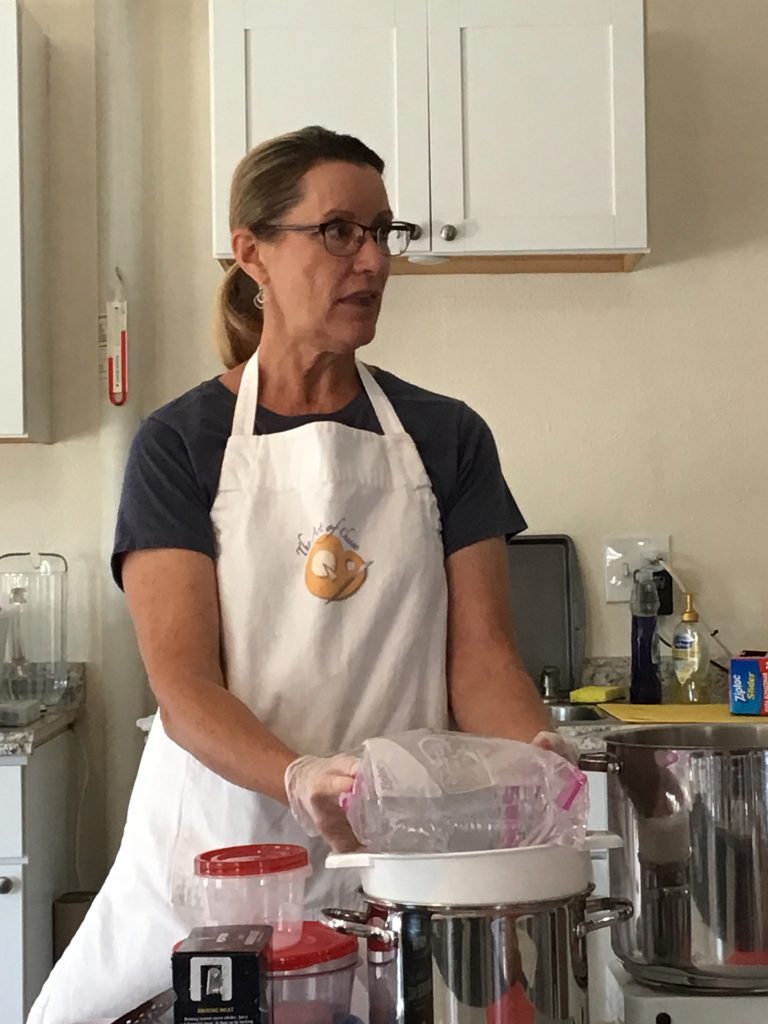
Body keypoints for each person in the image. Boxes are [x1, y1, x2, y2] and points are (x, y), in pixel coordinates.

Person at [29, 126, 559, 1024]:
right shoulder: (181, 442)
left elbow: (483, 662)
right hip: (217, 866)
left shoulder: (448, 436)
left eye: (383, 232)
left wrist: (538, 765)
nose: (373, 261)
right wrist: (298, 773)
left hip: (387, 862)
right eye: (339, 231)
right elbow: (184, 682)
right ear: (253, 253)